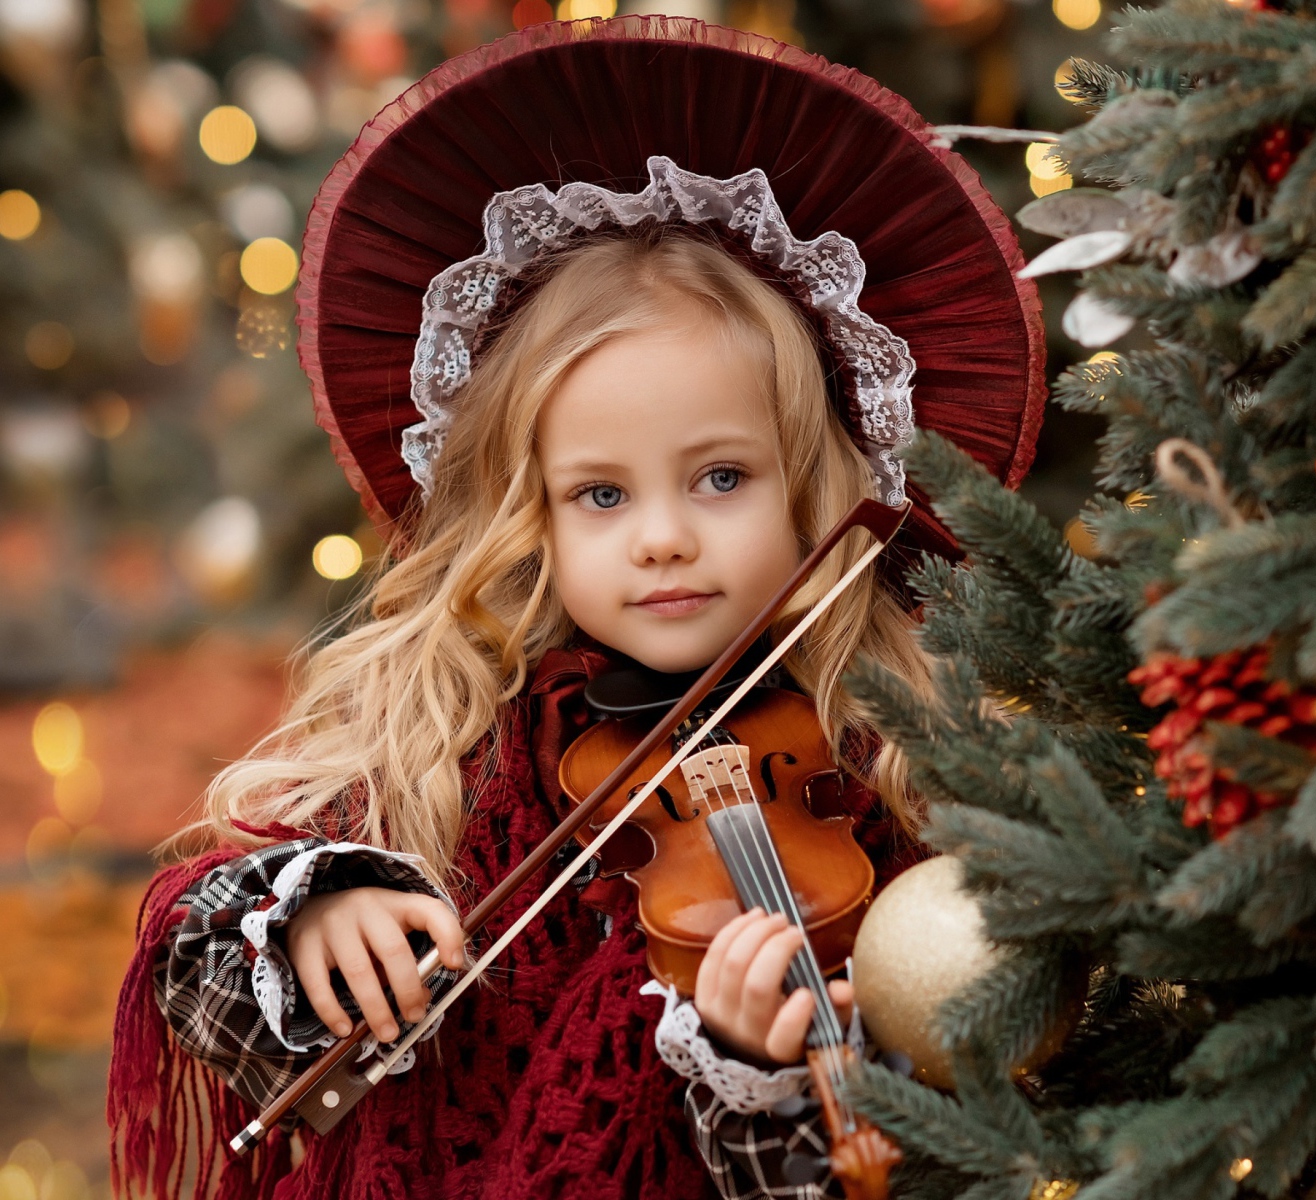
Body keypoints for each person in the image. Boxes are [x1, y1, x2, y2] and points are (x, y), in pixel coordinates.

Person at [106, 17, 1046, 1200]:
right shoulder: (460, 739)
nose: (663, 535)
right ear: (530, 515)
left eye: (722, 477)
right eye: (601, 493)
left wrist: (761, 1070)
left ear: (815, 495)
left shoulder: (878, 762)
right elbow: (195, 963)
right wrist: (314, 920)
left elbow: (912, 1152)